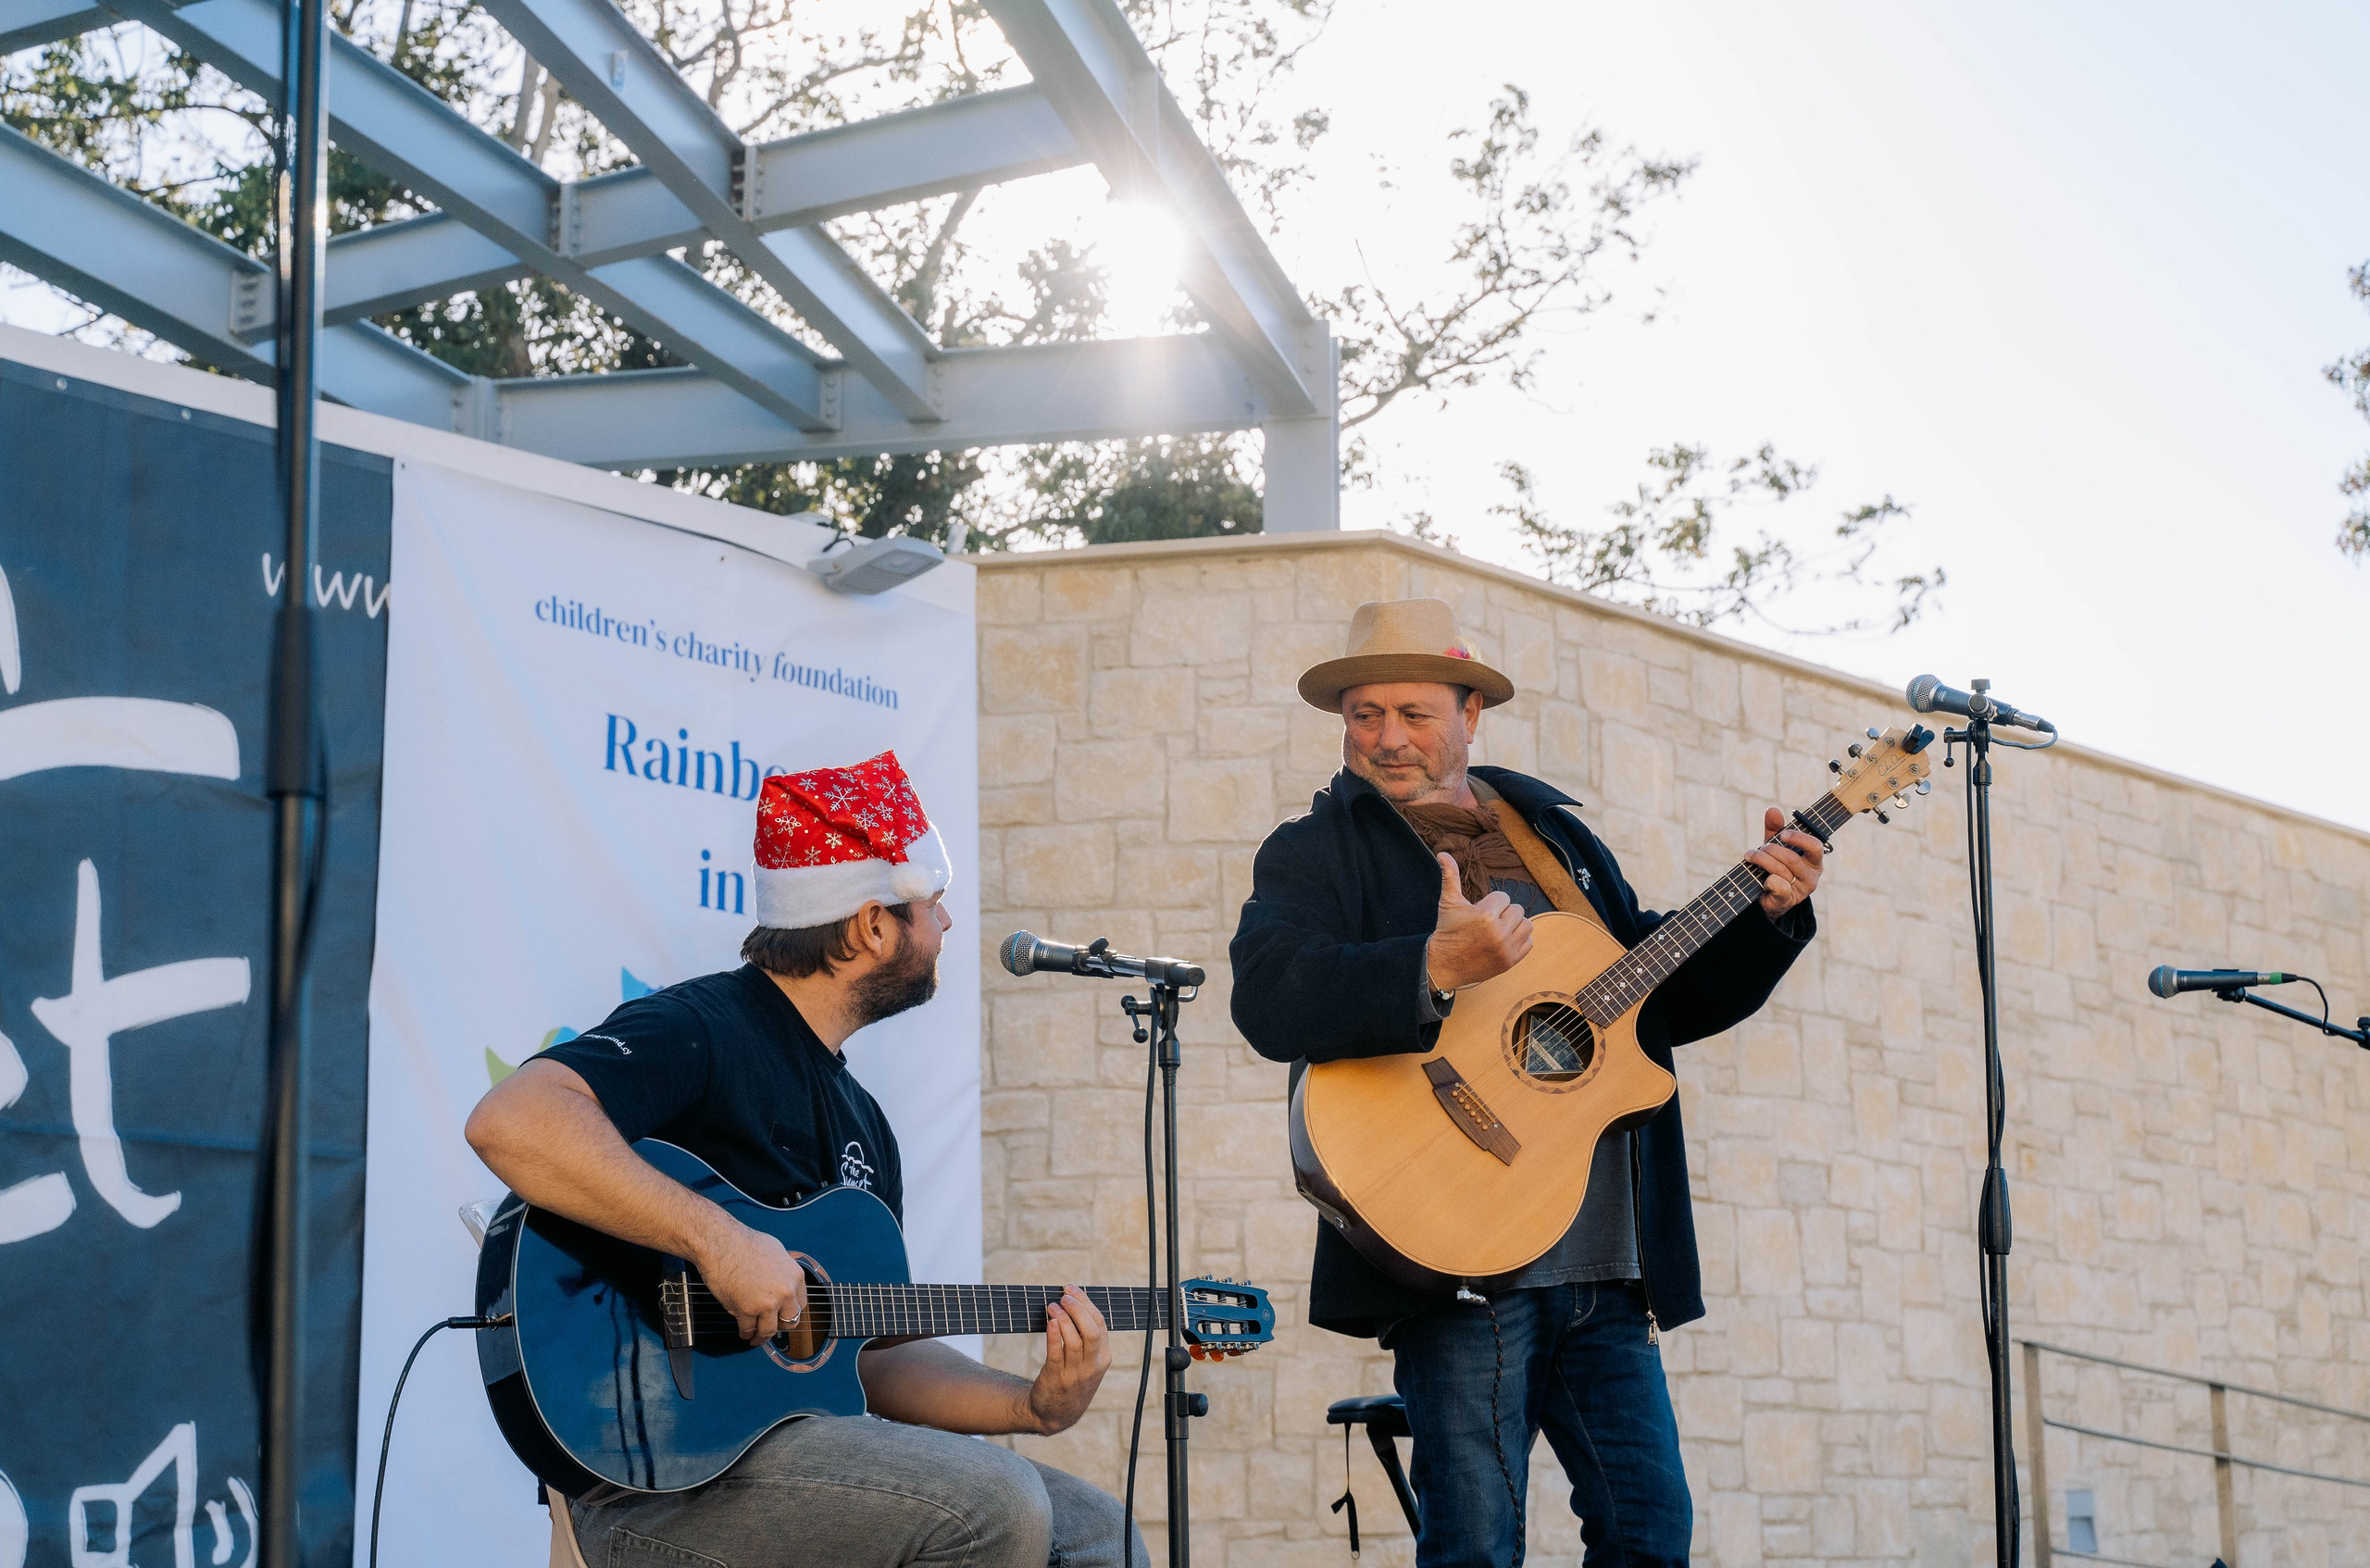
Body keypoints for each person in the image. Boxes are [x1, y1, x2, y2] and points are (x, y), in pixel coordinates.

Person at [1229, 600, 1825, 1568]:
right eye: (1363, 714)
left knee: (1649, 1532)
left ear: (1472, 715)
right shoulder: (1315, 850)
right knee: (1474, 1546)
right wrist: (1433, 965)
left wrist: (1763, 916)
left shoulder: (1556, 837)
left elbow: (1647, 1001)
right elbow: (1267, 995)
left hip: (1605, 1260)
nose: (1386, 737)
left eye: (1414, 713)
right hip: (1460, 1262)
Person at [466, 750, 1141, 1568]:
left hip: (805, 1460)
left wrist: (1031, 1407)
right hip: (658, 1483)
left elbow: (875, 1351)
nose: (948, 926)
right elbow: (512, 1121)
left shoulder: (866, 1124)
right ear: (871, 925)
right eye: (933, 904)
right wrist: (718, 1241)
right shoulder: (703, 1027)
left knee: (1100, 1532)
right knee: (997, 1504)